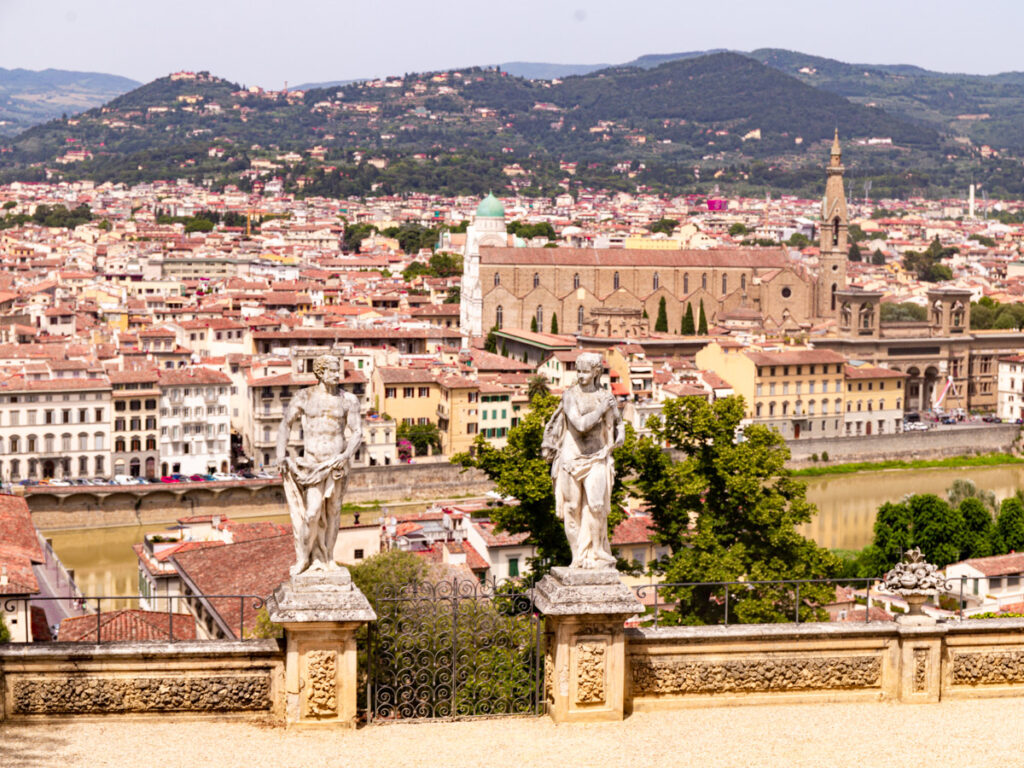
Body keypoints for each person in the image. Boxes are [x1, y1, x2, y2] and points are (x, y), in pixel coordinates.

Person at [276, 354, 363, 577]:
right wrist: (280, 455)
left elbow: (357, 432)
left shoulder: (348, 400)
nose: (338, 375)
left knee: (334, 512)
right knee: (312, 513)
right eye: (333, 370)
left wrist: (345, 456)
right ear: (321, 373)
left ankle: (329, 558)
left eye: (339, 370)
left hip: (336, 464)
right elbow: (285, 425)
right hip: (312, 464)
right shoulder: (304, 397)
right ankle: (305, 558)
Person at [541, 352, 624, 569]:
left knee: (597, 506)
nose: (581, 376)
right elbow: (580, 425)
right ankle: (577, 556)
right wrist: (601, 408)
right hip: (571, 458)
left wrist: (619, 435)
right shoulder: (570, 396)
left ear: (596, 372)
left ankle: (596, 550)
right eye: (578, 371)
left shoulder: (605, 396)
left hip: (596, 457)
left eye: (585, 372)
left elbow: (618, 422)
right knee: (571, 508)